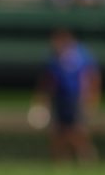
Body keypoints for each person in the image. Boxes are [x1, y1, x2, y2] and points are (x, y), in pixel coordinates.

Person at [36, 28, 100, 163]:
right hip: (60, 99)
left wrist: (91, 99)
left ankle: (87, 159)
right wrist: (43, 101)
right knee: (58, 132)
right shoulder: (55, 58)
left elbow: (91, 76)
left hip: (76, 98)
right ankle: (60, 162)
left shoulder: (81, 54)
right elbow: (49, 81)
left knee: (78, 132)